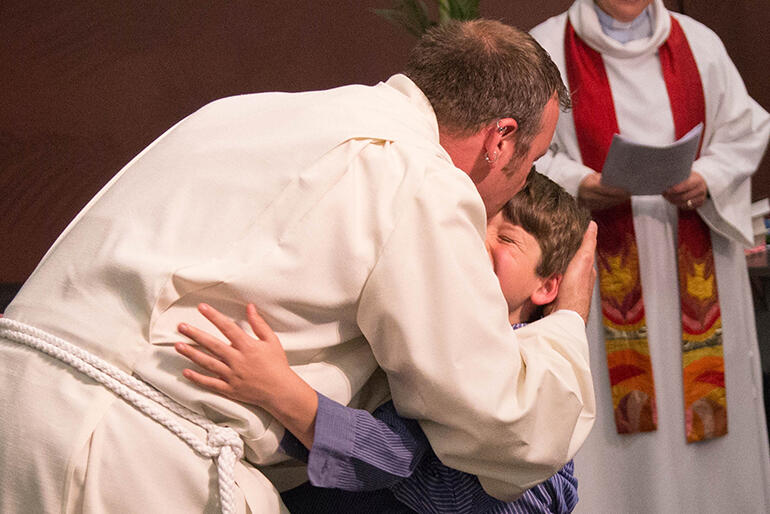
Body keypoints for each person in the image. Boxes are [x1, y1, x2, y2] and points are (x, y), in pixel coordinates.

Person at [0, 19, 597, 513]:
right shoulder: (420, 176)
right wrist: (568, 319)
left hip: (20, 404)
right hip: (126, 457)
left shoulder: (244, 112)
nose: (523, 179)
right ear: (501, 140)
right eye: (534, 159)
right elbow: (499, 425)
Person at [173, 171, 591, 513]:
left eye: (507, 238)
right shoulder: (429, 319)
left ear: (547, 286)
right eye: (475, 224)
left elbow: (389, 456)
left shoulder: (510, 364)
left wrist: (278, 389)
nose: (479, 242)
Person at [530, 1, 770, 512]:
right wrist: (581, 183)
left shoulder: (697, 43)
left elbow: (747, 129)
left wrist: (709, 177)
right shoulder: (548, 47)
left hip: (692, 256)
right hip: (595, 257)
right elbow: (523, 149)